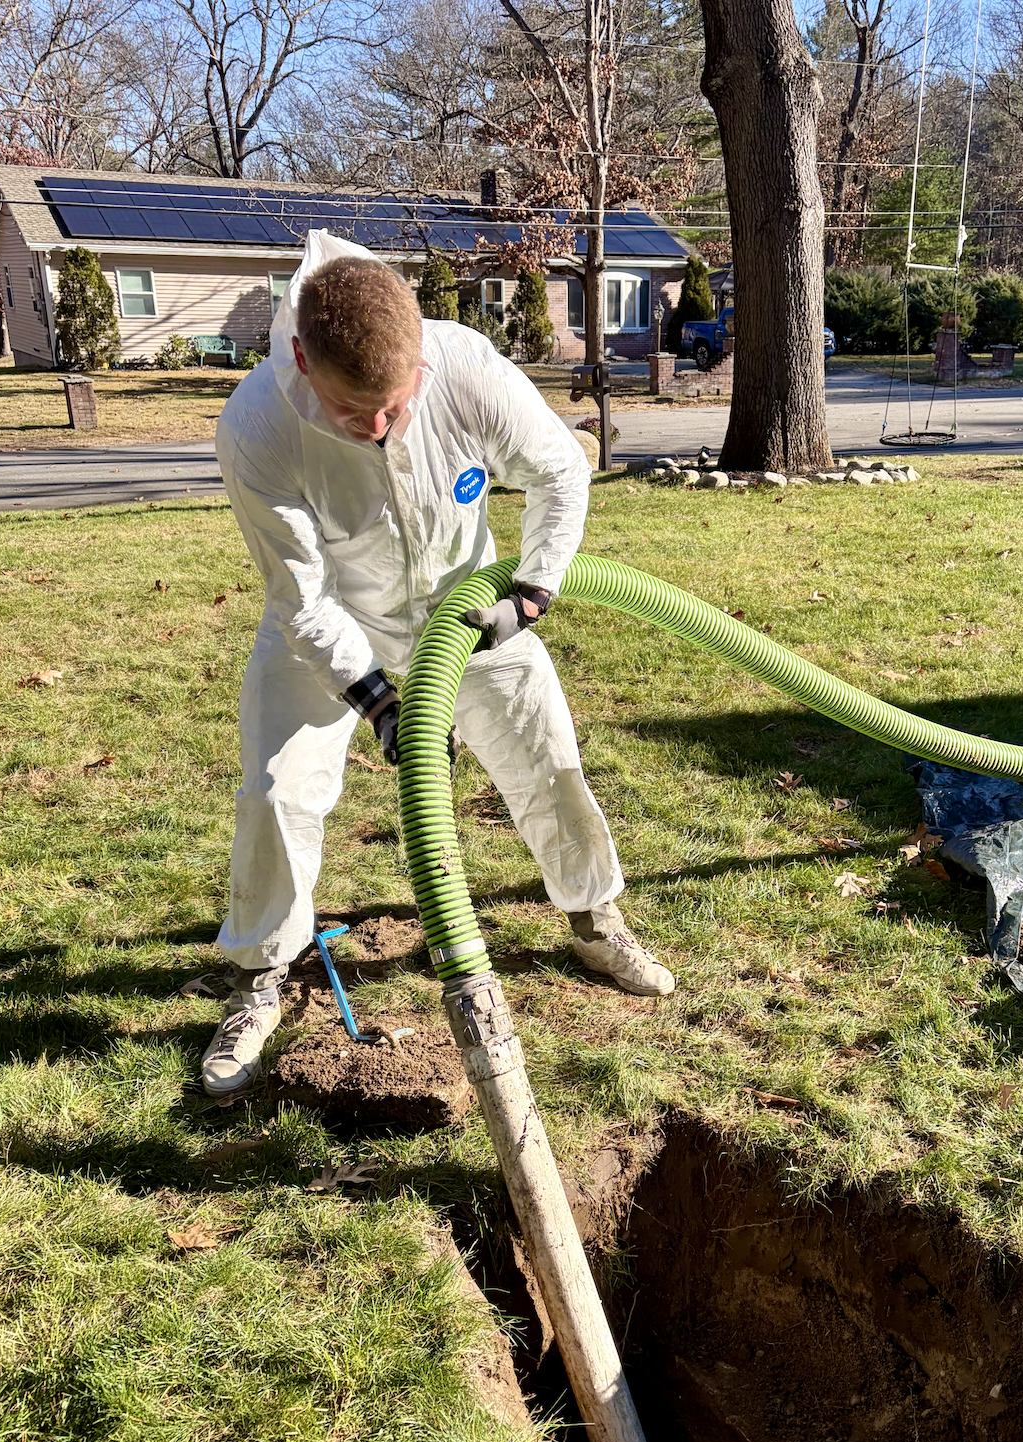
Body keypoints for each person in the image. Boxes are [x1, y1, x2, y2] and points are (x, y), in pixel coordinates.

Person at [201, 229, 674, 1099]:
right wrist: (380, 701)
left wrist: (531, 591)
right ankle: (259, 976)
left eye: (394, 406)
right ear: (302, 362)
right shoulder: (258, 426)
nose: (379, 429)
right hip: (326, 629)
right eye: (355, 414)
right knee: (275, 793)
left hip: (470, 611)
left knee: (549, 759)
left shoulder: (464, 367)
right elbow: (304, 598)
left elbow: (560, 471)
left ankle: (594, 917)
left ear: (420, 355)